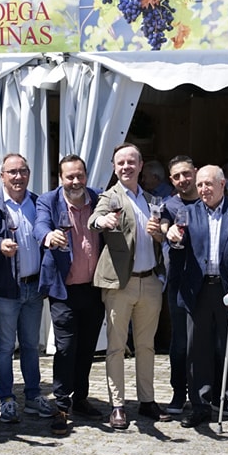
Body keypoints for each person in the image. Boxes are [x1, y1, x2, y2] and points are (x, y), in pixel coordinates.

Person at [168, 166, 228, 432]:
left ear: (222, 185)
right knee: (197, 351)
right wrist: (173, 240)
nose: (203, 190)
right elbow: (178, 255)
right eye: (199, 185)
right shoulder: (187, 212)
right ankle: (199, 405)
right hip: (197, 290)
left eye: (208, 184)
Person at [89, 143, 170, 430]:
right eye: (121, 162)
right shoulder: (109, 197)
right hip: (119, 284)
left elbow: (162, 237)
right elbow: (94, 219)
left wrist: (160, 234)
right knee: (115, 347)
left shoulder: (152, 200)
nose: (126, 167)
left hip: (149, 281)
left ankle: (147, 401)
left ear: (140, 165)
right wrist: (104, 219)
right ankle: (118, 405)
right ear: (114, 166)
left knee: (147, 346)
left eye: (131, 162)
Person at [0, 154, 52, 423]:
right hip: (5, 289)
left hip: (33, 287)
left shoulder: (38, 202)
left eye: (23, 171)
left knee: (31, 345)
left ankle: (32, 396)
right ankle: (6, 399)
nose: (18, 177)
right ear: (2, 175)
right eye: (13, 172)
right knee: (5, 346)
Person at [34, 154, 105, 434]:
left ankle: (81, 398)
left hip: (94, 287)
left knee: (87, 346)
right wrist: (48, 236)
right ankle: (61, 405)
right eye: (69, 177)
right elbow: (40, 224)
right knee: (66, 346)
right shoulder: (49, 201)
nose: (75, 181)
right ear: (60, 178)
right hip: (64, 289)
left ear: (86, 176)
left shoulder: (98, 199)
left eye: (79, 176)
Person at [161, 156, 200, 414]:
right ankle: (178, 392)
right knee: (180, 342)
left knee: (206, 340)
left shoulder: (209, 200)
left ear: (195, 172)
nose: (182, 180)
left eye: (186, 174)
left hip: (207, 281)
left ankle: (205, 393)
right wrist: (166, 230)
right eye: (176, 176)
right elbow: (162, 224)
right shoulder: (168, 205)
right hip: (177, 280)